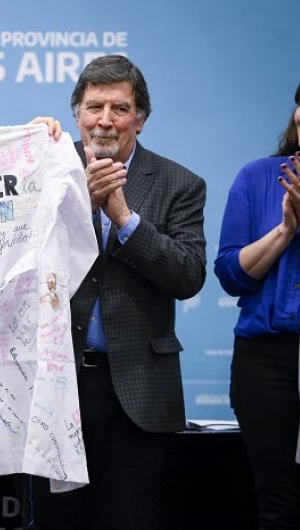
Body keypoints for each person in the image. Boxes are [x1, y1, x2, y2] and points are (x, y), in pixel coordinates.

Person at [22, 55, 207, 529]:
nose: (105, 120)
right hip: (55, 388)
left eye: (120, 108)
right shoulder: (42, 173)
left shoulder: (180, 184)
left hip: (137, 394)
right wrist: (77, 204)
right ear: (77, 116)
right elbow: (15, 264)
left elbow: (188, 276)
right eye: (94, 107)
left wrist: (125, 219)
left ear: (139, 120)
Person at [214, 82, 300, 529]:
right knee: (278, 503)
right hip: (266, 360)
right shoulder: (257, 177)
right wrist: (285, 230)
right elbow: (231, 276)